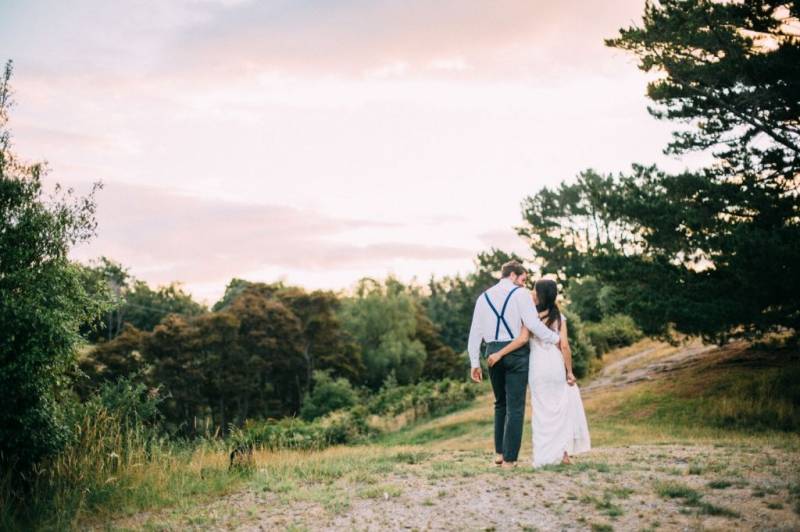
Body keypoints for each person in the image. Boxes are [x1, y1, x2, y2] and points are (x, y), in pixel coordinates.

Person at [467, 261, 561, 467]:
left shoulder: (483, 298)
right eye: (523, 279)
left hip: (492, 352)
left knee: (500, 404)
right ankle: (510, 460)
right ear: (512, 275)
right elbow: (533, 324)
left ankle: (499, 455)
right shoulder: (521, 295)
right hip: (516, 353)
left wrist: (474, 362)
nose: (524, 284)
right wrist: (556, 339)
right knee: (515, 407)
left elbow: (475, 332)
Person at [490, 279, 591, 467]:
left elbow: (522, 340)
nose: (532, 293)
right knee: (558, 408)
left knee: (541, 410)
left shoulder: (531, 316)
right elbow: (565, 346)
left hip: (537, 366)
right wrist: (569, 371)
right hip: (554, 364)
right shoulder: (559, 317)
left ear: (540, 294)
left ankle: (545, 455)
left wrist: (500, 353)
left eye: (535, 290)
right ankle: (563, 454)